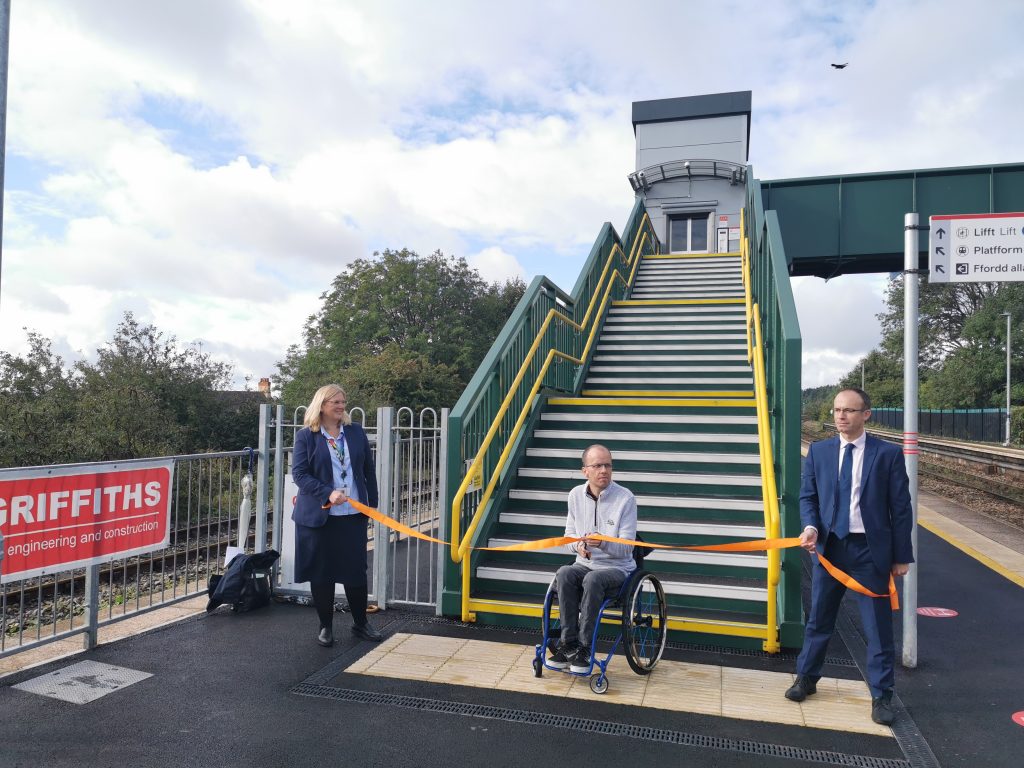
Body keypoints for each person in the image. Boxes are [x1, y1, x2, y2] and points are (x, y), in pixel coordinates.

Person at [785, 388, 914, 725]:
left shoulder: (887, 455)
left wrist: (902, 556)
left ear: (866, 415)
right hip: (830, 549)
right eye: (837, 410)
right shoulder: (820, 451)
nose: (840, 416)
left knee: (877, 627)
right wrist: (811, 526)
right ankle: (807, 679)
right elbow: (808, 497)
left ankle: (882, 696)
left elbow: (900, 509)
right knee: (819, 619)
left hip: (870, 552)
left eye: (849, 411)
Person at [291, 384, 383, 646]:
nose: (342, 406)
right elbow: (300, 474)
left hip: (352, 514)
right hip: (319, 518)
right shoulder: (306, 436)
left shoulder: (354, 433)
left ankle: (361, 624)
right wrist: (327, 493)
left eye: (343, 402)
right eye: (336, 403)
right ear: (322, 406)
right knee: (322, 573)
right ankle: (325, 626)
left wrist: (370, 504)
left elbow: (368, 470)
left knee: (355, 571)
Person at [550, 444, 637, 674]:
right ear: (585, 471)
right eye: (597, 465)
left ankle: (585, 648)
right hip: (584, 564)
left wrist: (604, 542)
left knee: (593, 580)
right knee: (564, 573)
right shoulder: (575, 495)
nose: (604, 470)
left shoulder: (626, 499)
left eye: (608, 465)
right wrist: (578, 546)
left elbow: (627, 549)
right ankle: (568, 644)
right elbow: (568, 536)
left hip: (617, 570)